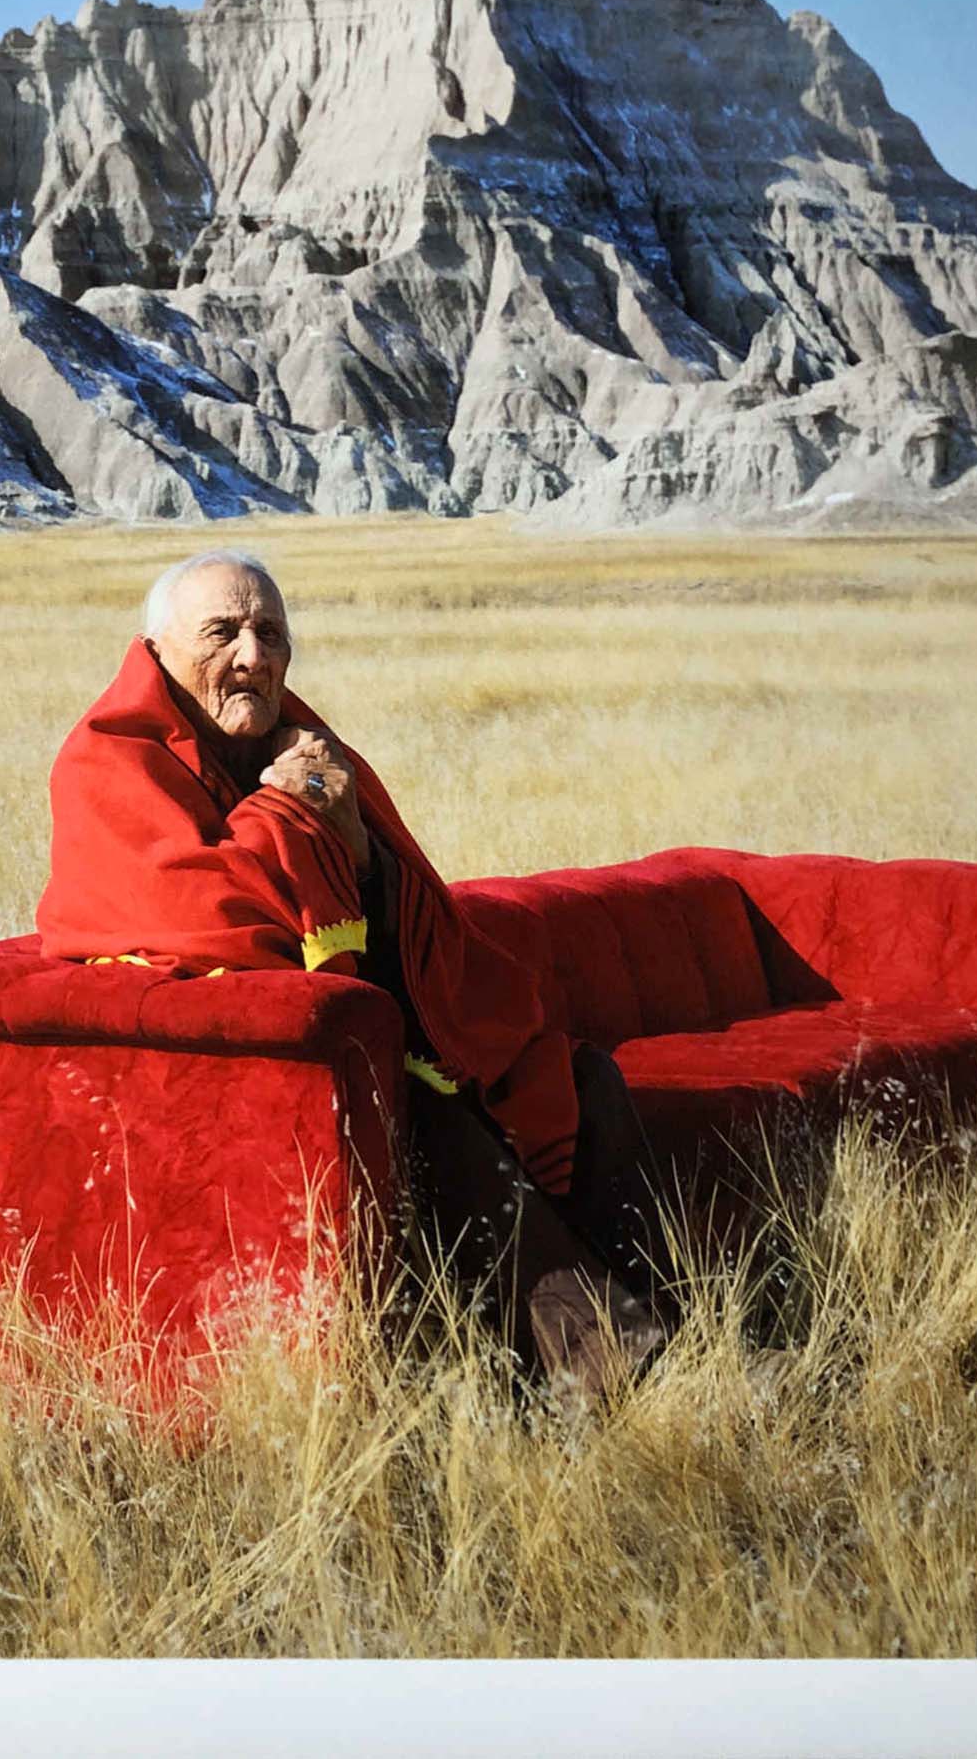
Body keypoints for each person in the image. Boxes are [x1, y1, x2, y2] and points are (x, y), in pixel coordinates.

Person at [37, 548, 668, 1395]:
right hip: (227, 1070)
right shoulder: (109, 759)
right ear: (156, 651)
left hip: (357, 1022)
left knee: (578, 1077)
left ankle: (666, 1315)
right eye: (221, 633)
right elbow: (204, 918)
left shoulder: (306, 746)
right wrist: (291, 815)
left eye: (271, 633)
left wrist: (359, 846)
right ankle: (614, 1362)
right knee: (426, 1118)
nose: (253, 656)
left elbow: (407, 905)